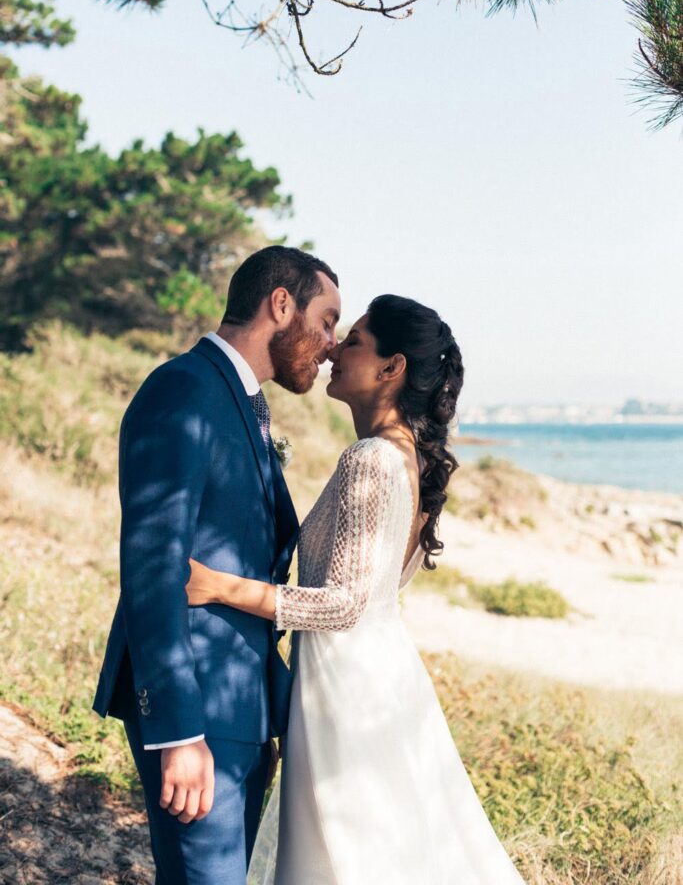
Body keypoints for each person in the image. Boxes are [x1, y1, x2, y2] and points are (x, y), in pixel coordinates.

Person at [186, 294, 526, 884]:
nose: (335, 349)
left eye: (356, 339)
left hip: (351, 685)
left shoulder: (371, 459)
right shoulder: (407, 457)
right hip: (376, 673)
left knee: (352, 854)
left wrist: (218, 587)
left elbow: (345, 604)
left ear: (392, 368)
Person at [92, 245, 341, 885]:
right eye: (327, 319)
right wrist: (178, 733)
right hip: (198, 709)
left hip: (244, 709)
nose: (331, 344)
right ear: (280, 305)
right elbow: (153, 570)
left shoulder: (240, 400)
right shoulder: (183, 390)